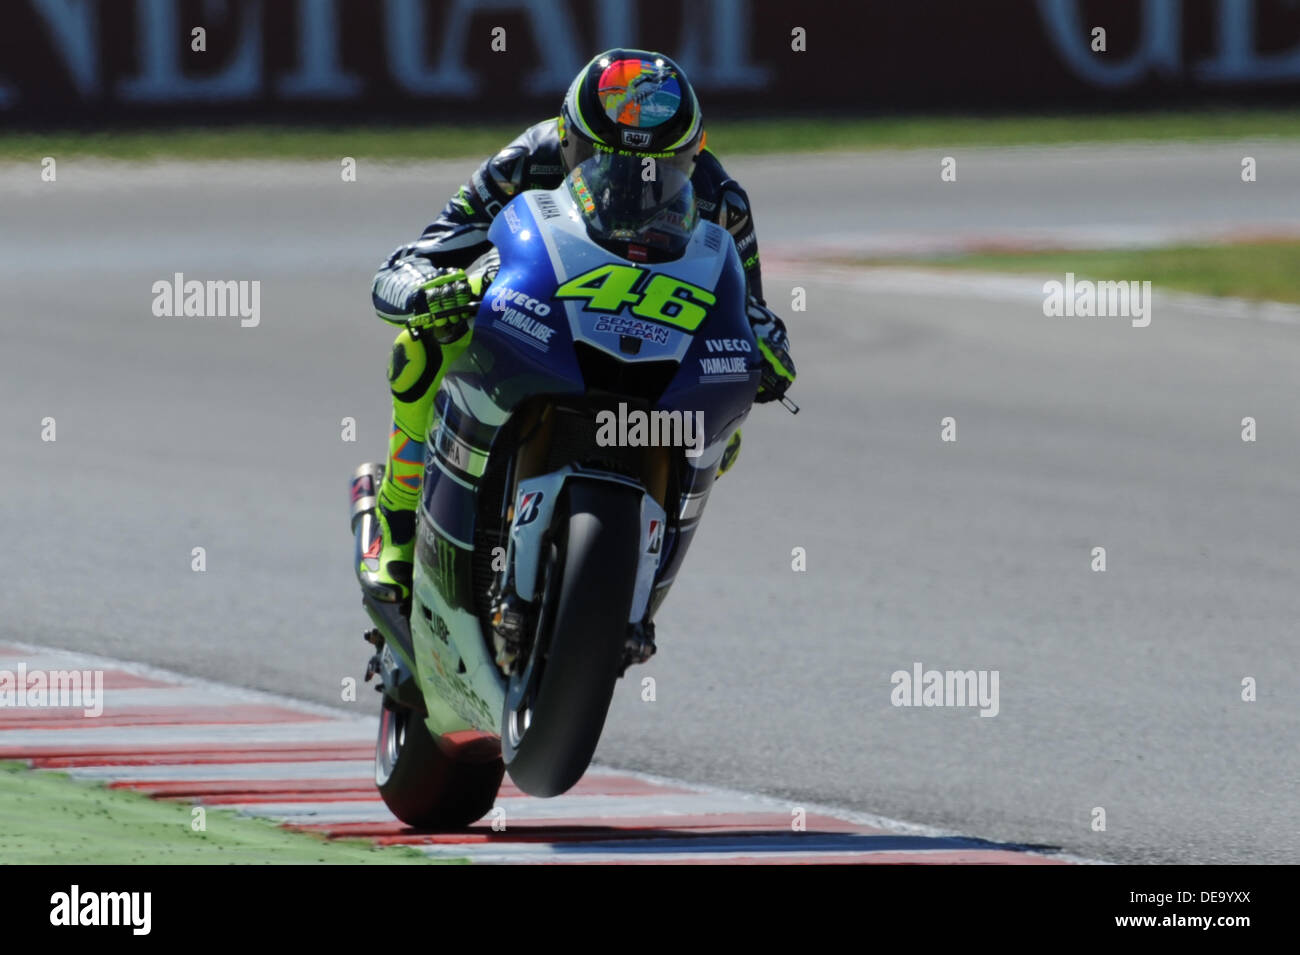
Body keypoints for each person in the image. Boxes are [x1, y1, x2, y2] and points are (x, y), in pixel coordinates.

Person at [362, 49, 796, 604]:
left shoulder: (720, 197)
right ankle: (398, 525)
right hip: (540, 320)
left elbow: (748, 314)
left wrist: (770, 355)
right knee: (420, 347)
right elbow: (413, 258)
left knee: (724, 431)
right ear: (569, 139)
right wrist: (429, 292)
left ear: (692, 156)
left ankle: (643, 567)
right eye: (602, 159)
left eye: (663, 169)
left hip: (655, 346)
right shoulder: (527, 159)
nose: (635, 185)